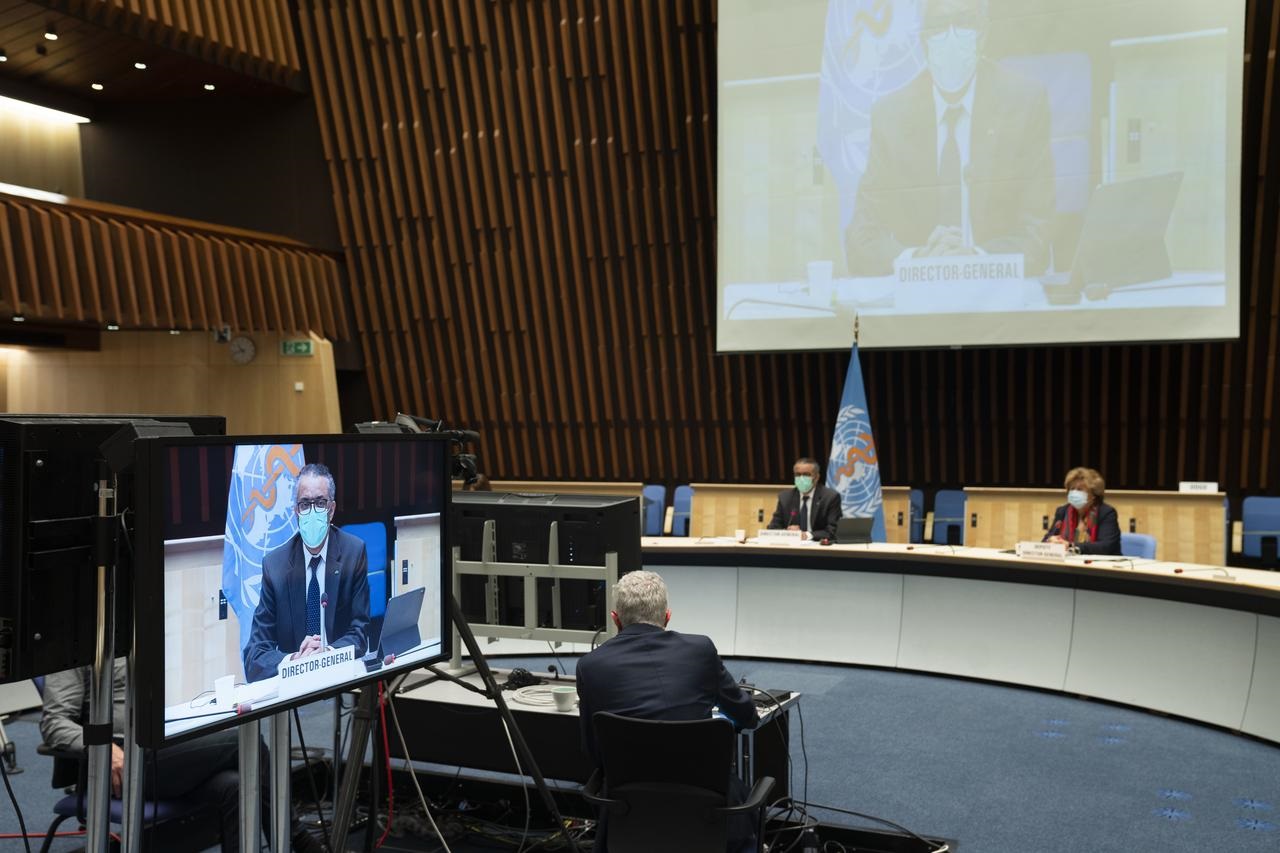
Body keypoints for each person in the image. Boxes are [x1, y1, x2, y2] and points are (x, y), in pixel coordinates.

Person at [844, 0, 1055, 276]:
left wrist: (976, 260)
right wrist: (918, 259)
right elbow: (861, 239)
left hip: (994, 297)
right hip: (920, 298)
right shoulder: (891, 117)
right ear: (923, 42)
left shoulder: (1023, 104)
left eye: (965, 21)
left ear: (984, 33)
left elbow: (1038, 235)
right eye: (939, 25)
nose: (952, 36)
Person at [39, 661, 324, 852]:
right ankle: (297, 839)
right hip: (124, 758)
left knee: (234, 785)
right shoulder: (85, 635)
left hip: (170, 746)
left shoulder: (148, 618)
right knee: (244, 742)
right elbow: (54, 723)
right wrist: (101, 747)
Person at [575, 571, 759, 852]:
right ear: (667, 616)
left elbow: (594, 753)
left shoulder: (590, 665)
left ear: (615, 619)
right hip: (708, 807)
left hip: (629, 808)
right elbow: (746, 716)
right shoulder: (701, 649)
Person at [243, 462, 370, 683]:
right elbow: (254, 655)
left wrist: (326, 654)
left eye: (320, 503)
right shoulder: (275, 566)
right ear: (296, 512)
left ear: (331, 510)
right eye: (304, 504)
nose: (312, 511)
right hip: (294, 685)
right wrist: (295, 660)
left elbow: (360, 634)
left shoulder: (353, 552)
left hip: (338, 676)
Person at [1043, 466, 1121, 555]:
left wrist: (1071, 545)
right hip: (1069, 563)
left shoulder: (1106, 513)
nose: (1074, 493)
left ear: (1094, 495)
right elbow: (1046, 539)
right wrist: (1050, 540)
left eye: (1080, 489)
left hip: (1103, 565)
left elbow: (1106, 546)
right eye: (1072, 489)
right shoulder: (1062, 511)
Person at [767, 457, 843, 541]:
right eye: (798, 475)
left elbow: (833, 530)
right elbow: (773, 528)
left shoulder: (830, 497)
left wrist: (807, 535)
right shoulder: (785, 497)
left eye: (806, 474)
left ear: (816, 477)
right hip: (792, 547)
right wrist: (787, 532)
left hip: (818, 546)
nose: (801, 478)